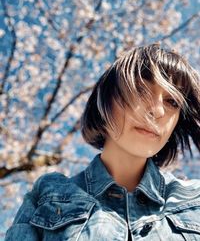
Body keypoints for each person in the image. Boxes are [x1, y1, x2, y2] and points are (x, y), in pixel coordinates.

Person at [5, 43, 200, 241]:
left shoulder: (195, 199)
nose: (157, 111)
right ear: (106, 100)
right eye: (141, 90)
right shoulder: (48, 194)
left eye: (172, 102)